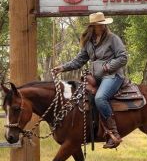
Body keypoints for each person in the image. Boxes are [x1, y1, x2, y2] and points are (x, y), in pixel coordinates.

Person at [53, 12, 128, 149]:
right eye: (99, 25)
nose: (102, 27)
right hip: (96, 78)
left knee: (100, 98)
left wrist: (108, 66)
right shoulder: (89, 42)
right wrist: (62, 68)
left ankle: (114, 133)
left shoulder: (113, 38)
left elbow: (123, 57)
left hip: (112, 76)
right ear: (92, 26)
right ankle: (92, 129)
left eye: (103, 24)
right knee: (80, 97)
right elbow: (79, 61)